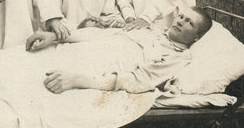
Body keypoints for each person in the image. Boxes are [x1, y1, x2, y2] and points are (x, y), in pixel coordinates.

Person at [25, 6, 212, 94]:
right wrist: (55, 36)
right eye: (181, 16)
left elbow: (137, 81)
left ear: (197, 37)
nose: (180, 21)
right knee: (15, 60)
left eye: (190, 23)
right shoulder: (151, 30)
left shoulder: (177, 57)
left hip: (92, 68)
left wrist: (75, 80)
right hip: (78, 50)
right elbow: (101, 34)